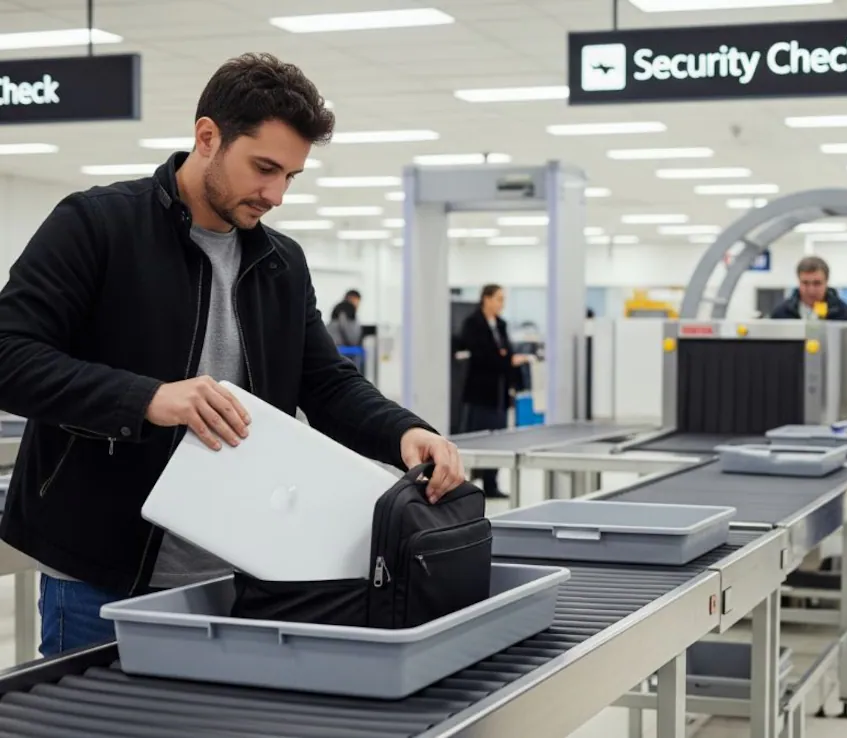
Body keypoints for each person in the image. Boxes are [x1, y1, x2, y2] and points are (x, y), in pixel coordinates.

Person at [0, 52, 464, 657]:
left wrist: (405, 432)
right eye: (264, 168)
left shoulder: (280, 262)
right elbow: (8, 353)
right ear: (207, 137)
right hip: (101, 579)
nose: (275, 194)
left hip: (244, 574)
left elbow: (324, 383)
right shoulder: (98, 225)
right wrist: (148, 398)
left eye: (290, 176)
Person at [459, 285, 530, 498]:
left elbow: (504, 352)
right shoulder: (473, 324)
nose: (502, 303)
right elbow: (482, 356)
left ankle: (491, 484)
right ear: (486, 299)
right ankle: (467, 485)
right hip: (480, 392)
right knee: (478, 438)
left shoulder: (501, 324)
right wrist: (505, 358)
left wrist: (505, 359)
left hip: (500, 392)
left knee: (498, 438)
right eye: (499, 298)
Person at [770, 256, 847, 321]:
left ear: (826, 282)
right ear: (798, 281)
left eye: (817, 283)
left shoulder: (844, 314)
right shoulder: (781, 314)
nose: (811, 290)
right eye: (805, 283)